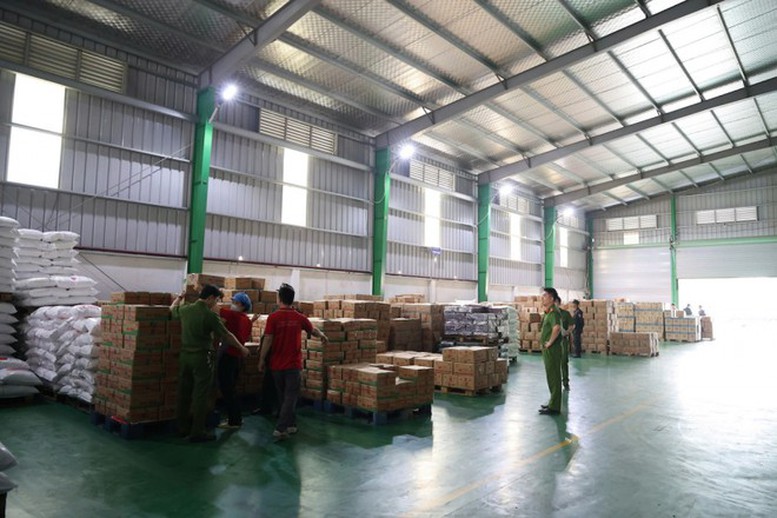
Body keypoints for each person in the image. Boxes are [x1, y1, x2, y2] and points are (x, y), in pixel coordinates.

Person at [171, 284, 248, 442]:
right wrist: (241, 348)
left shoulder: (185, 310)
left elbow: (172, 309)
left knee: (184, 393)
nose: (216, 304)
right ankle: (197, 431)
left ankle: (182, 427)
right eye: (216, 300)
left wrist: (179, 298)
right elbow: (226, 335)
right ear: (210, 298)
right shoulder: (209, 315)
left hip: (185, 356)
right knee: (200, 395)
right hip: (201, 358)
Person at [258, 283, 329, 439]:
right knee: (290, 397)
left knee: (284, 397)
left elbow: (268, 339)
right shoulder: (299, 317)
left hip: (276, 364)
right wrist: (322, 336)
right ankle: (286, 426)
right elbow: (312, 330)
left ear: (279, 298)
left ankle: (285, 426)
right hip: (292, 365)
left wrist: (262, 359)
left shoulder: (273, 317)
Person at [217, 292, 259, 430]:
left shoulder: (233, 315)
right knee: (232, 389)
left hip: (228, 356)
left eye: (234, 302)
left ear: (240, 304)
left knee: (227, 389)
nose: (232, 304)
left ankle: (234, 421)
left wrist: (204, 291)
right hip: (237, 358)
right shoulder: (247, 321)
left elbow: (214, 308)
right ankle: (235, 418)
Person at [538, 287, 563, 416]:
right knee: (551, 376)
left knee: (554, 376)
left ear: (552, 299)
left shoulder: (554, 313)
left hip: (552, 350)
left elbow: (557, 328)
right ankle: (553, 402)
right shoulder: (548, 312)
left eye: (545, 296)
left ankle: (554, 407)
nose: (542, 298)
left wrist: (550, 342)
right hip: (548, 350)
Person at [555, 295, 573, 391]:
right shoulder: (549, 314)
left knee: (564, 361)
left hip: (562, 341)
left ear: (559, 303)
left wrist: (567, 332)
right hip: (553, 342)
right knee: (554, 364)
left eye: (556, 302)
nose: (554, 305)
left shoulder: (565, 314)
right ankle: (555, 384)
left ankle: (565, 382)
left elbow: (571, 325)